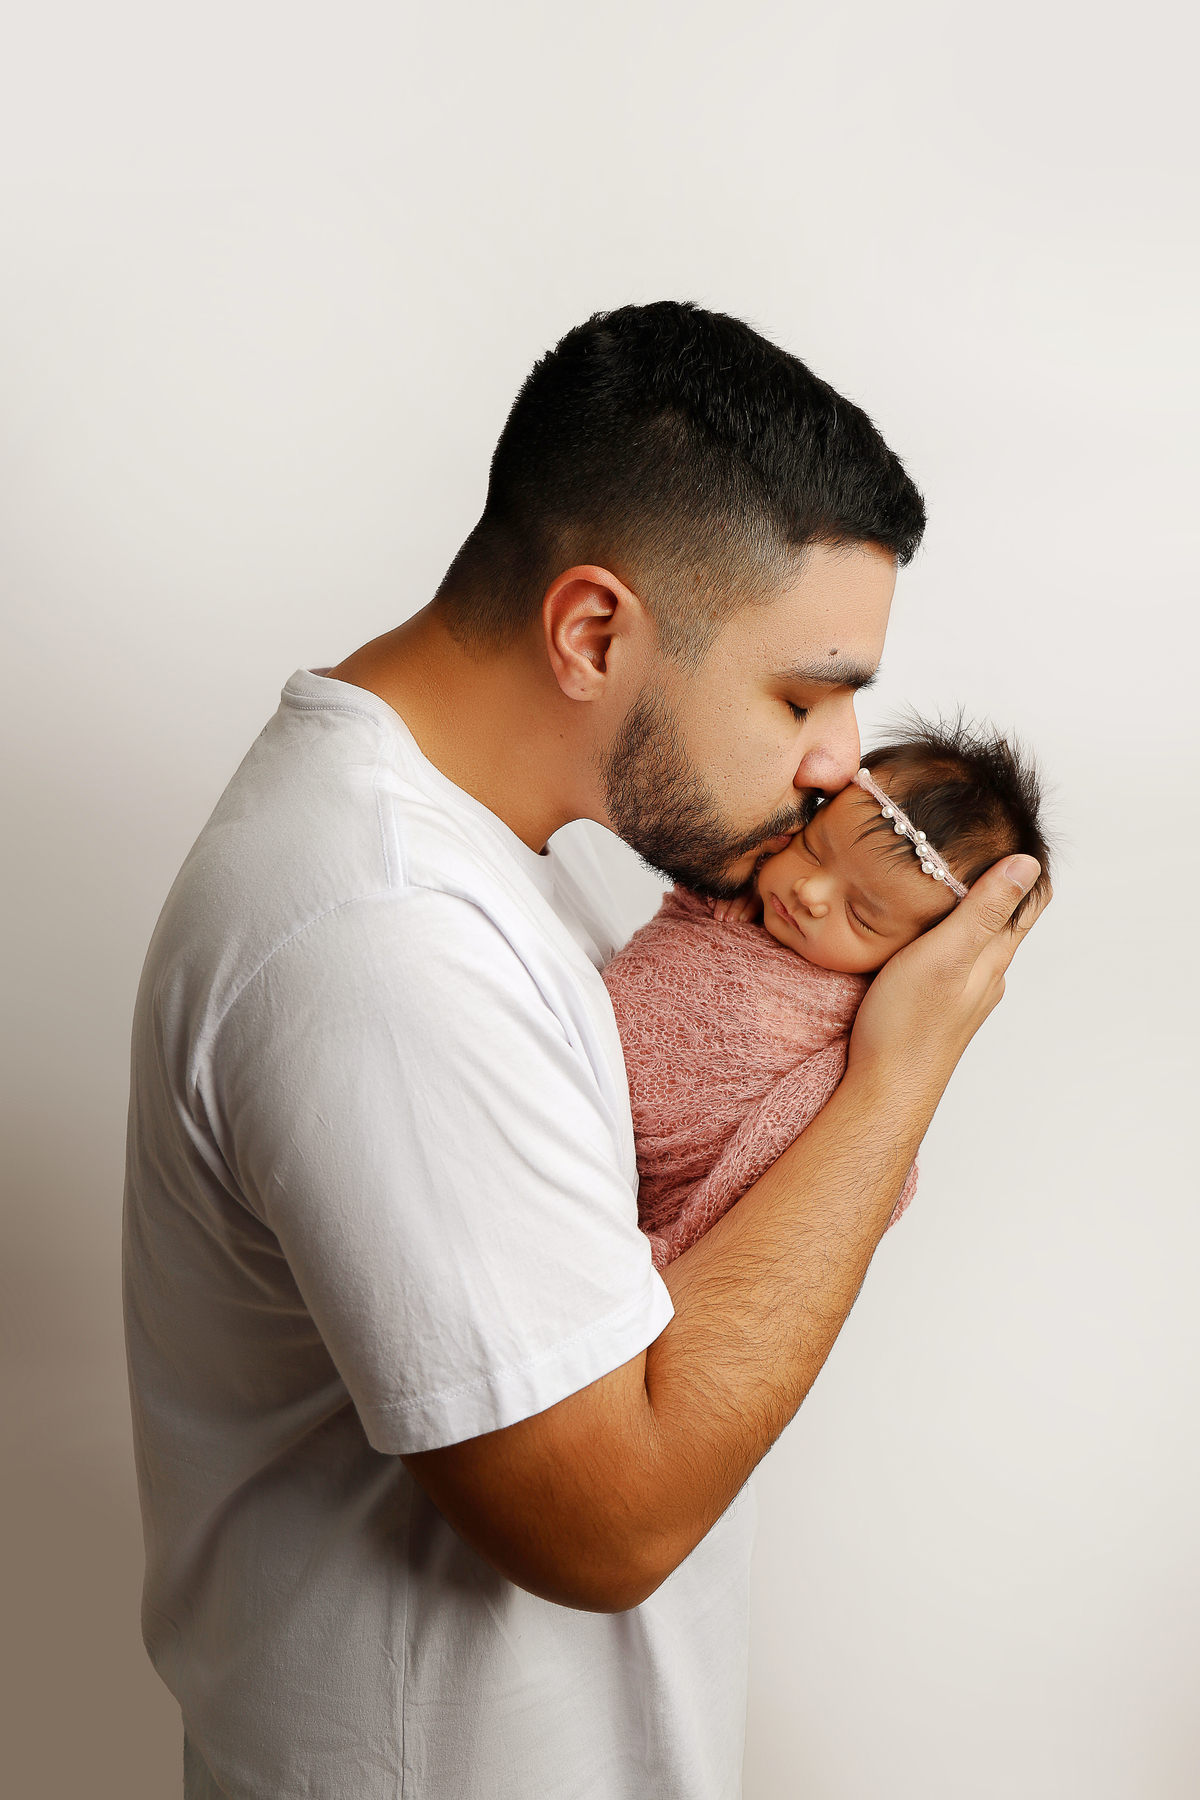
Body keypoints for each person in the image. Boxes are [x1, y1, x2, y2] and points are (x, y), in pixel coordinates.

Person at [123, 301, 1048, 1800]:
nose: (839, 760)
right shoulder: (386, 935)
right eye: (802, 691)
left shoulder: (474, 864)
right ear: (593, 632)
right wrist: (899, 1075)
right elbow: (609, 1526)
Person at [603, 718, 1052, 1270]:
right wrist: (731, 884)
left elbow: (854, 1159)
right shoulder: (742, 891)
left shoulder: (870, 1024)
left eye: (860, 915)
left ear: (916, 953)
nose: (809, 892)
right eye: (812, 850)